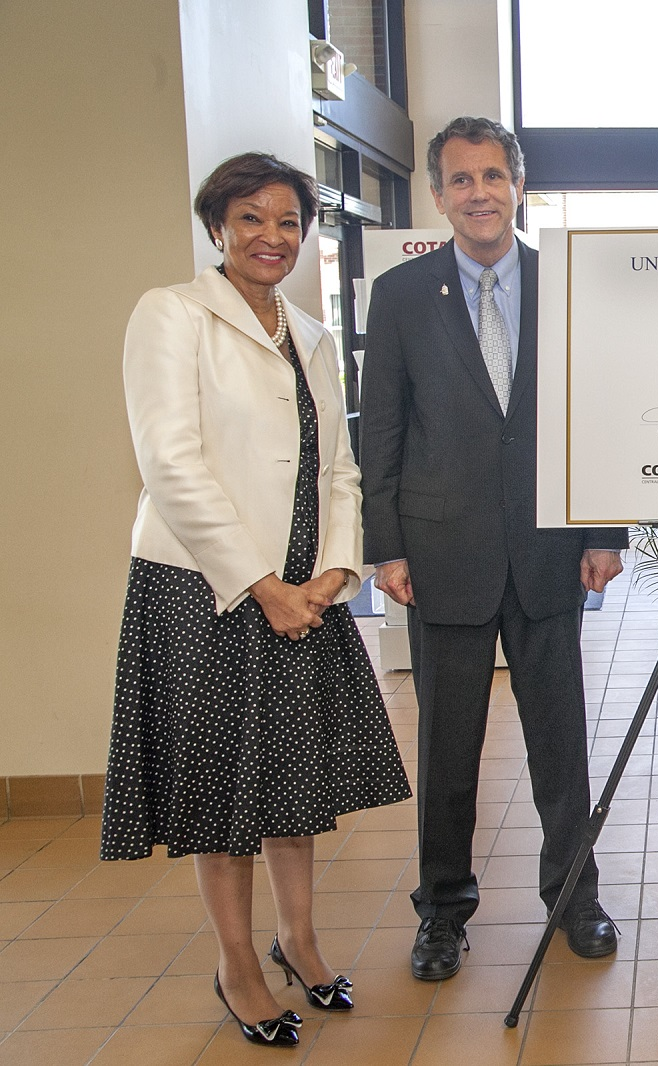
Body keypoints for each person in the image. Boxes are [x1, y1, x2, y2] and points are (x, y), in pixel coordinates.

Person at [100, 153, 411, 1048]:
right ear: (217, 229)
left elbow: (339, 469)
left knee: (292, 781)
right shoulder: (171, 315)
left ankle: (299, 940)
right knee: (224, 792)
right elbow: (169, 463)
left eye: (286, 222)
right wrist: (261, 584)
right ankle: (238, 964)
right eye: (250, 220)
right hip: (203, 591)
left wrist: (335, 574)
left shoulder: (310, 332)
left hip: (304, 594)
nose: (270, 238)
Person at [360, 116, 627, 982]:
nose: (480, 192)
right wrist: (387, 547)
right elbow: (385, 434)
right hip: (443, 558)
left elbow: (598, 416)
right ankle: (442, 911)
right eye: (461, 179)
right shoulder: (401, 298)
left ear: (519, 185)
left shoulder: (567, 286)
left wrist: (603, 529)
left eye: (494, 175)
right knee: (447, 751)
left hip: (550, 553)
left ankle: (574, 897)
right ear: (437, 195)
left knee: (561, 745)